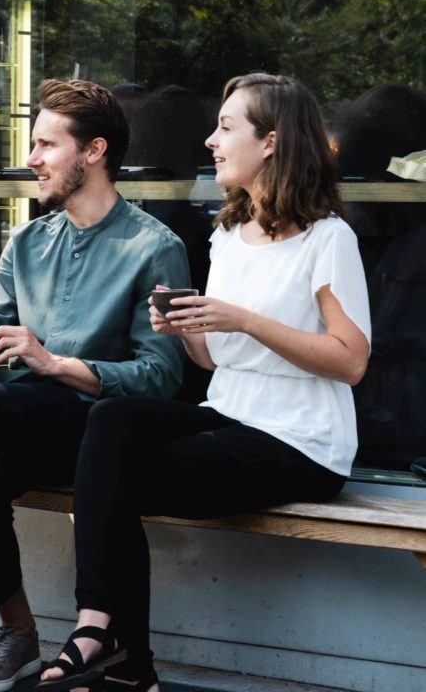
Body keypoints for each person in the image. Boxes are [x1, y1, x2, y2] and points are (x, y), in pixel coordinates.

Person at [38, 73, 371, 692]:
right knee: (111, 419)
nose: (211, 140)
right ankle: (104, 633)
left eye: (226, 127)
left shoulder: (329, 239)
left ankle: (122, 656)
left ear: (270, 142)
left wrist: (244, 319)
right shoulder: (227, 235)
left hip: (301, 440)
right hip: (232, 413)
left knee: (113, 481)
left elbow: (351, 360)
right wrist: (179, 326)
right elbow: (214, 361)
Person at [0, 78, 191, 692]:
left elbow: (161, 377)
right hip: (20, 413)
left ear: (94, 151)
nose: (31, 158)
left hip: (95, 428)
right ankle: (19, 631)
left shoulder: (154, 247)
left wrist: (55, 362)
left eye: (45, 145)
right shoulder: (30, 239)